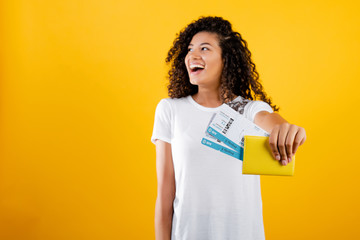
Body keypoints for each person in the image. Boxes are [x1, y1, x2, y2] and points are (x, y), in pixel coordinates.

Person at [151, 16, 306, 240]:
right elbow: (165, 197)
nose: (193, 55)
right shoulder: (170, 110)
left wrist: (287, 130)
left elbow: (270, 120)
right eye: (190, 49)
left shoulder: (248, 109)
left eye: (204, 48)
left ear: (227, 59)